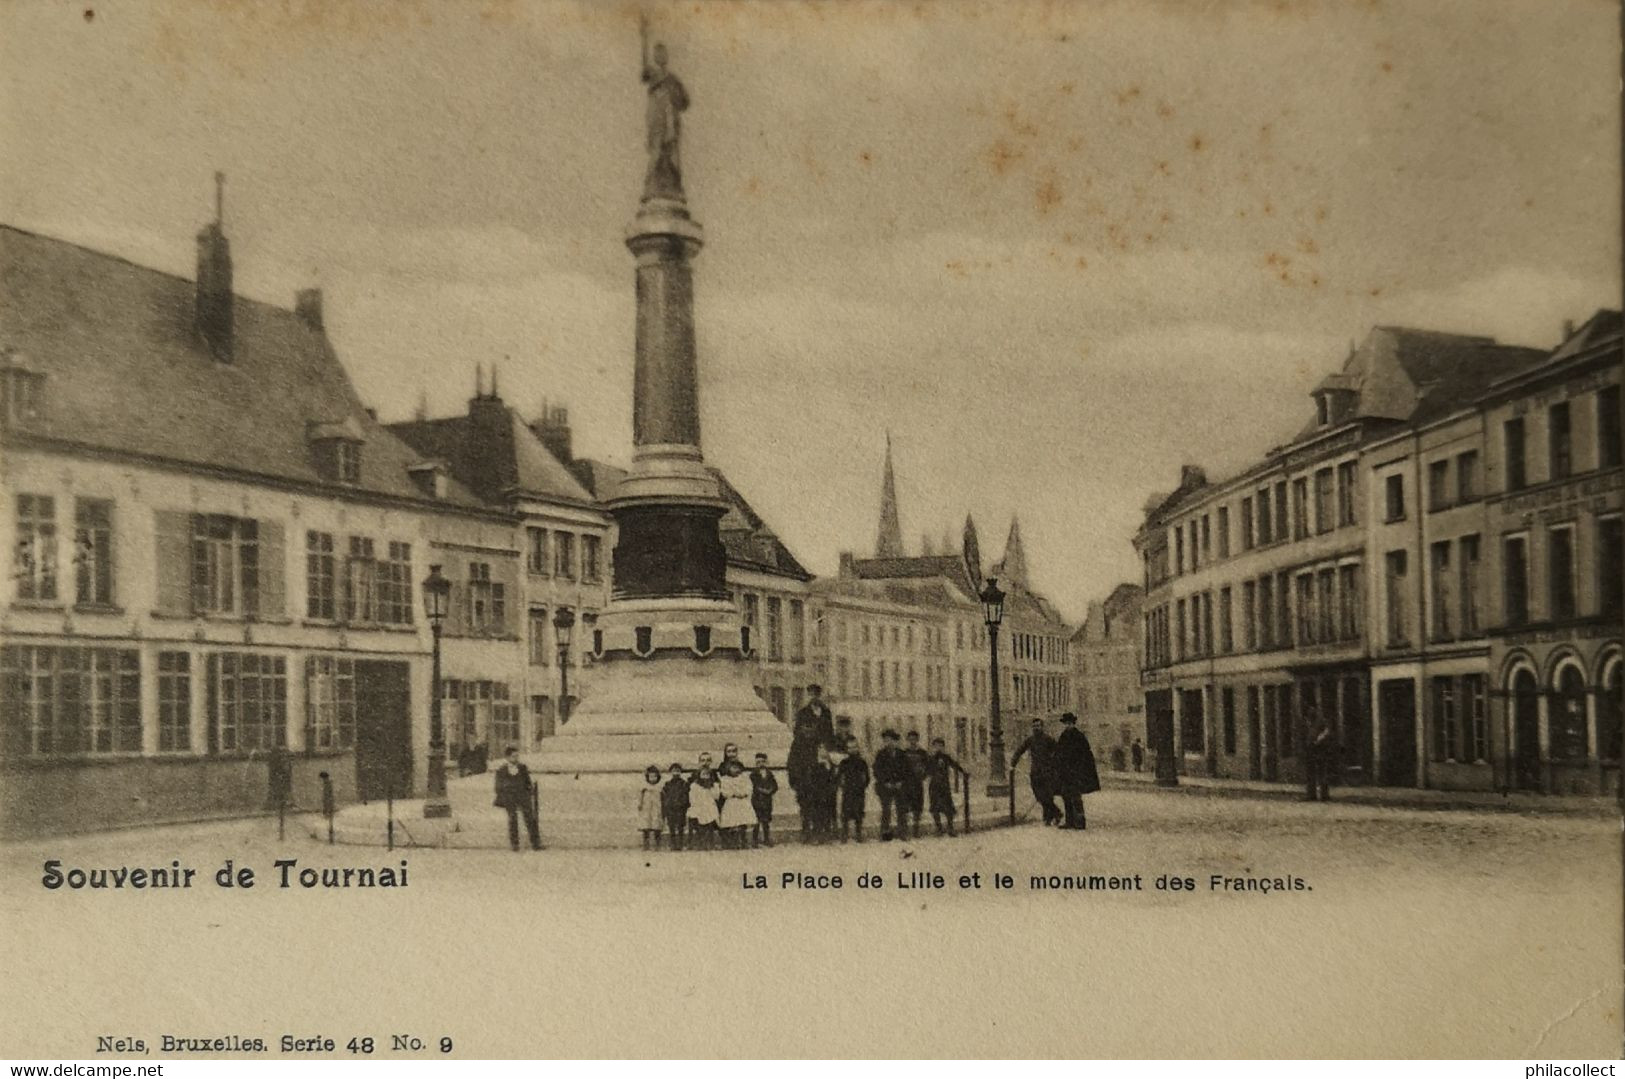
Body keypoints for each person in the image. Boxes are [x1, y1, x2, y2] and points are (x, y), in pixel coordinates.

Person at [788, 686, 835, 827]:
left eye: (816, 695)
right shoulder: (803, 713)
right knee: (807, 798)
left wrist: (827, 749)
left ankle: (824, 826)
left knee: (824, 796)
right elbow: (798, 733)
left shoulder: (826, 712)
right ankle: (808, 827)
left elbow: (830, 734)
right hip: (808, 758)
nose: (814, 697)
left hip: (822, 756)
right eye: (811, 695)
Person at [1054, 713, 1101, 830]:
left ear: (1073, 724)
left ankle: (1080, 822)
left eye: (1069, 723)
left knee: (1076, 797)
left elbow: (1085, 755)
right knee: (1066, 796)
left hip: (1075, 773)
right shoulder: (1063, 736)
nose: (1067, 725)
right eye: (1066, 723)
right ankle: (1069, 822)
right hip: (1065, 773)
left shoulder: (1079, 736)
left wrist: (1080, 770)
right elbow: (1059, 753)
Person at [1010, 718, 1061, 825]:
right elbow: (1020, 750)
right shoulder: (1030, 740)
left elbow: (1058, 751)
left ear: (1042, 727)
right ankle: (1056, 813)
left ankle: (1047, 818)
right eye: (1034, 726)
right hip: (1035, 772)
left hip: (1047, 772)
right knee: (1038, 795)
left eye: (1038, 726)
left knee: (1047, 795)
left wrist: (1053, 763)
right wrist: (1013, 763)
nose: (1036, 728)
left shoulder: (1048, 739)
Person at [492, 746, 541, 852]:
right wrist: (505, 794)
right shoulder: (502, 770)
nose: (516, 758)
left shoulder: (523, 768)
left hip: (523, 797)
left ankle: (535, 843)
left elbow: (528, 782)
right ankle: (515, 844)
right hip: (510, 798)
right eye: (514, 756)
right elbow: (498, 786)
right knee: (512, 819)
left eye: (517, 756)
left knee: (529, 819)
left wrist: (528, 793)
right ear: (507, 757)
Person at [871, 729, 910, 841]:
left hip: (899, 786)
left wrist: (901, 782)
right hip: (885, 786)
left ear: (896, 741)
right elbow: (877, 770)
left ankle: (902, 832)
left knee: (901, 809)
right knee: (886, 809)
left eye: (891, 740)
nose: (888, 743)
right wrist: (885, 782)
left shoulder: (902, 754)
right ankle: (885, 833)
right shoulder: (880, 754)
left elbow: (907, 771)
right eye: (886, 740)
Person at [925, 736, 969, 837]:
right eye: (936, 746)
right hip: (934, 786)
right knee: (935, 808)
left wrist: (963, 771)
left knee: (948, 808)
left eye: (940, 746)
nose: (938, 748)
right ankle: (939, 828)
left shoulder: (946, 757)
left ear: (943, 747)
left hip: (944, 786)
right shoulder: (930, 758)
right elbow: (927, 770)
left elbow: (955, 765)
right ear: (933, 747)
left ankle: (950, 828)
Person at [836, 736, 871, 843]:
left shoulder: (862, 762)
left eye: (854, 747)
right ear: (847, 749)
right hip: (848, 791)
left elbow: (866, 777)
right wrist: (844, 786)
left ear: (858, 748)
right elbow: (840, 776)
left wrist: (862, 785)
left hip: (859, 791)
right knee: (845, 813)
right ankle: (844, 834)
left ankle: (858, 833)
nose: (852, 749)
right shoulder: (844, 763)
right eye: (850, 748)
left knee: (859, 812)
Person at [803, 746, 839, 844]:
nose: (823, 752)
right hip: (818, 794)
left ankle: (827, 835)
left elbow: (835, 779)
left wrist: (832, 789)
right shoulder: (815, 766)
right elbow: (812, 780)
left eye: (825, 750)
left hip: (829, 794)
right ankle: (817, 835)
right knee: (817, 816)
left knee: (828, 815)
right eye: (820, 750)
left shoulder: (832, 766)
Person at [718, 758, 755, 849]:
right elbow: (724, 791)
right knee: (732, 822)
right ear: (728, 768)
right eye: (733, 767)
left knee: (742, 822)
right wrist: (733, 793)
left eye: (737, 767)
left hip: (742, 802)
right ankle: (734, 841)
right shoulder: (725, 779)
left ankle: (743, 840)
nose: (735, 770)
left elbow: (749, 788)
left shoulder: (744, 778)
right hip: (731, 802)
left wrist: (743, 793)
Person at [901, 730, 930, 840]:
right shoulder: (904, 753)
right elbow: (901, 767)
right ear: (908, 740)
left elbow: (927, 766)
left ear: (917, 740)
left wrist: (923, 774)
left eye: (914, 739)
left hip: (917, 783)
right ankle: (906, 831)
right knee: (906, 806)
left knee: (917, 806)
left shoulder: (922, 753)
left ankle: (916, 829)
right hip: (907, 783)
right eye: (910, 739)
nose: (912, 741)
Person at [686, 760, 721, 851]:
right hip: (699, 807)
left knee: (710, 827)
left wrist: (712, 788)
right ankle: (700, 844)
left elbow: (716, 797)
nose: (705, 777)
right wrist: (697, 806)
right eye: (703, 774)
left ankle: (710, 843)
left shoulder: (713, 786)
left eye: (707, 774)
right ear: (699, 775)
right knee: (700, 827)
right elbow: (692, 798)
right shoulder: (695, 786)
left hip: (710, 807)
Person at [749, 753, 779, 848]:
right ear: (755, 763)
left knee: (766, 822)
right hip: (757, 801)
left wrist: (770, 790)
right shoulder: (753, 774)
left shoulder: (769, 774)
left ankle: (766, 839)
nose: (761, 764)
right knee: (756, 822)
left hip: (767, 801)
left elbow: (775, 786)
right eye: (758, 762)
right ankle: (755, 840)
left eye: (763, 762)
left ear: (766, 762)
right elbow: (752, 786)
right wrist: (761, 790)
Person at [661, 762, 690, 852]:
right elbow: (665, 796)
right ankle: (673, 844)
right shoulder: (667, 784)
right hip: (671, 809)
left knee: (681, 827)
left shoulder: (684, 784)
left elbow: (686, 796)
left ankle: (680, 844)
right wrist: (667, 806)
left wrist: (683, 805)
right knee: (672, 827)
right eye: (674, 771)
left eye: (678, 771)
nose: (676, 773)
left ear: (681, 772)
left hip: (680, 809)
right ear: (670, 772)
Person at [1305, 722, 1336, 802]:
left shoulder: (1321, 724)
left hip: (1320, 753)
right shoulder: (1311, 727)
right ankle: (1312, 795)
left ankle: (1323, 795)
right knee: (1313, 775)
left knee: (1322, 775)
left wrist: (1318, 740)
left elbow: (1325, 735)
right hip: (1312, 753)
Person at [637, 765, 665, 850]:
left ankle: (657, 845)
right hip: (647, 808)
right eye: (651, 776)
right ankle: (646, 844)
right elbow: (641, 796)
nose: (653, 779)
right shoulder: (645, 787)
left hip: (656, 808)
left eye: (655, 777)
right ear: (647, 777)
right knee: (646, 826)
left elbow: (663, 797)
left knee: (656, 826)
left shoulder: (660, 787)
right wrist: (640, 804)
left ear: (658, 777)